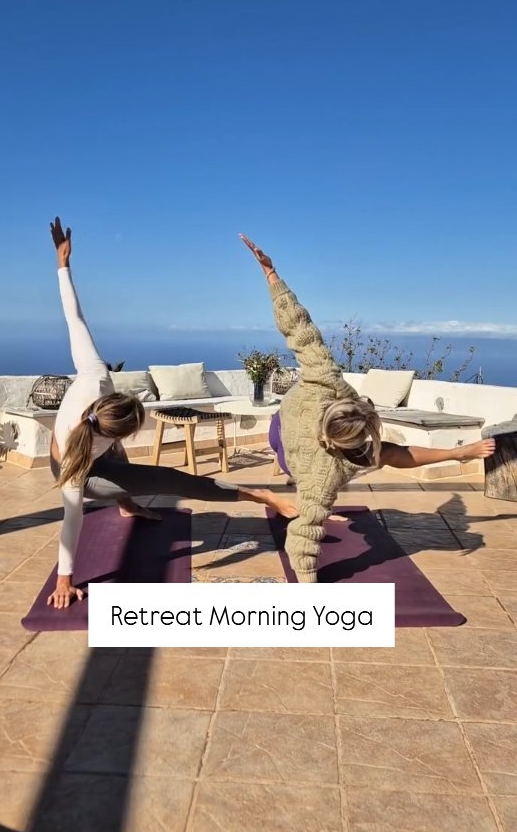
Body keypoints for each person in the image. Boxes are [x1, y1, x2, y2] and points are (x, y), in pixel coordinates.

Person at [48, 218, 298, 609]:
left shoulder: (96, 373)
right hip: (73, 464)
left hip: (94, 443)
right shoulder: (75, 472)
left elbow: (74, 319)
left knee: (152, 476)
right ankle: (259, 495)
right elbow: (70, 525)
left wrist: (63, 266)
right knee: (164, 480)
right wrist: (66, 580)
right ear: (115, 435)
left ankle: (129, 503)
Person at [239, 233, 495, 583]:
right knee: (376, 459)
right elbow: (302, 536)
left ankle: (460, 452)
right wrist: (308, 587)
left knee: (385, 452)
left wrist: (271, 276)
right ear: (342, 448)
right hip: (285, 444)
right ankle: (460, 453)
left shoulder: (325, 376)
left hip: (289, 418)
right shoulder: (324, 475)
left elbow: (300, 329)